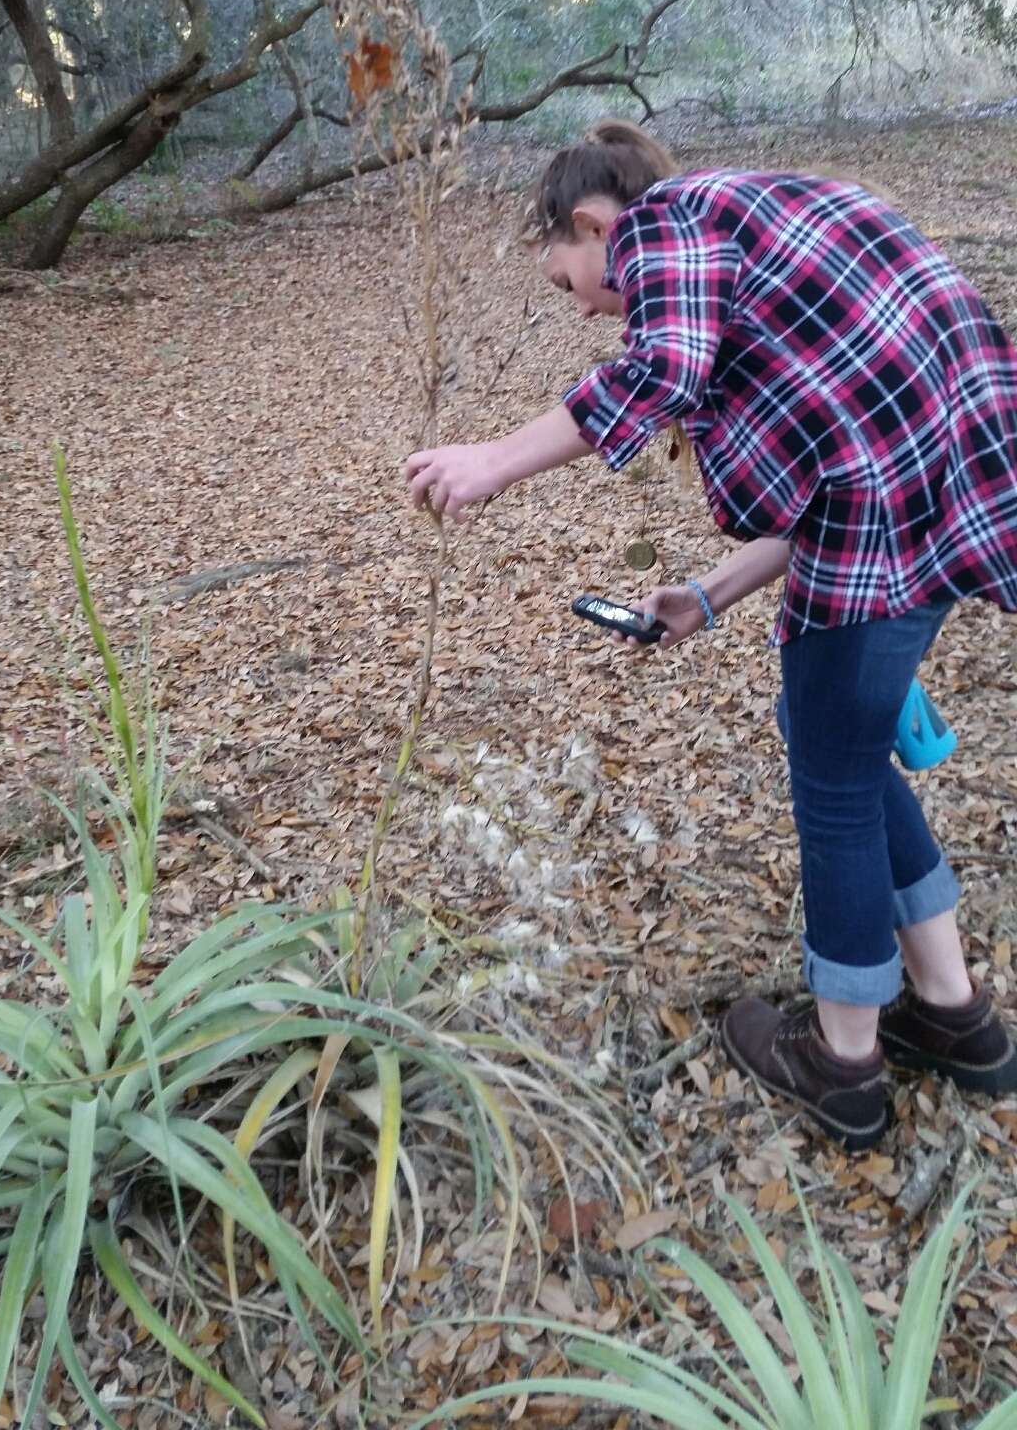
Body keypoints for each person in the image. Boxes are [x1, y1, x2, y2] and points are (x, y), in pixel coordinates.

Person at [404, 120, 1017, 1149]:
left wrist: (495, 460)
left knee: (833, 779)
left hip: (894, 520)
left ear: (595, 224)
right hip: (944, 494)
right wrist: (711, 592)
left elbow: (659, 374)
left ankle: (846, 1063)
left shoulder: (667, 230)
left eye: (570, 282)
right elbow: (838, 443)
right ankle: (955, 1017)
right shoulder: (740, 230)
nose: (591, 307)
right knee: (845, 749)